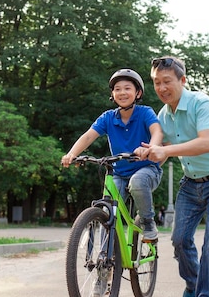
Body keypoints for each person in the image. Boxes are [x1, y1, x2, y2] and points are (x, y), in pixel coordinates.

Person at [138, 56, 209, 297]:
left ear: (182, 80)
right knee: (179, 240)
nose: (161, 88)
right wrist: (148, 150)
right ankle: (193, 282)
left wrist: (166, 151)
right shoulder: (163, 115)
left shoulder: (202, 103)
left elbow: (206, 143)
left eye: (167, 81)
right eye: (157, 82)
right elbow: (156, 145)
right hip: (192, 183)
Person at [61, 68, 163, 242]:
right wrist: (72, 154)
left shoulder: (145, 112)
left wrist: (150, 148)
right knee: (107, 212)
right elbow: (88, 136)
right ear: (112, 94)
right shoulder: (108, 117)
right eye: (117, 89)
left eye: (127, 88)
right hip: (120, 173)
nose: (122, 92)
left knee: (137, 182)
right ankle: (105, 259)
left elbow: (157, 132)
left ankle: (147, 221)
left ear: (138, 93)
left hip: (147, 169)